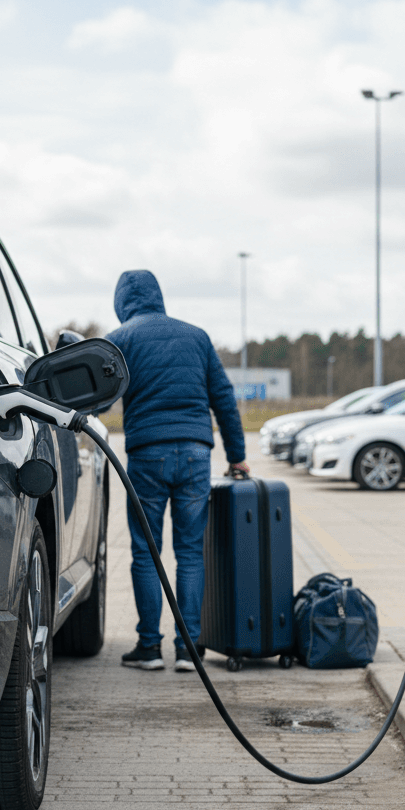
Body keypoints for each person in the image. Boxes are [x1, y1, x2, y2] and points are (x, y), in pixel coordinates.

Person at [106, 270, 249, 672]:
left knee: (147, 552)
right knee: (189, 552)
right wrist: (236, 455)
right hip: (195, 455)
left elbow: (96, 400)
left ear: (121, 302)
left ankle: (149, 648)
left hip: (147, 455)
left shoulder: (120, 341)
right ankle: (188, 650)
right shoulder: (197, 336)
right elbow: (223, 399)